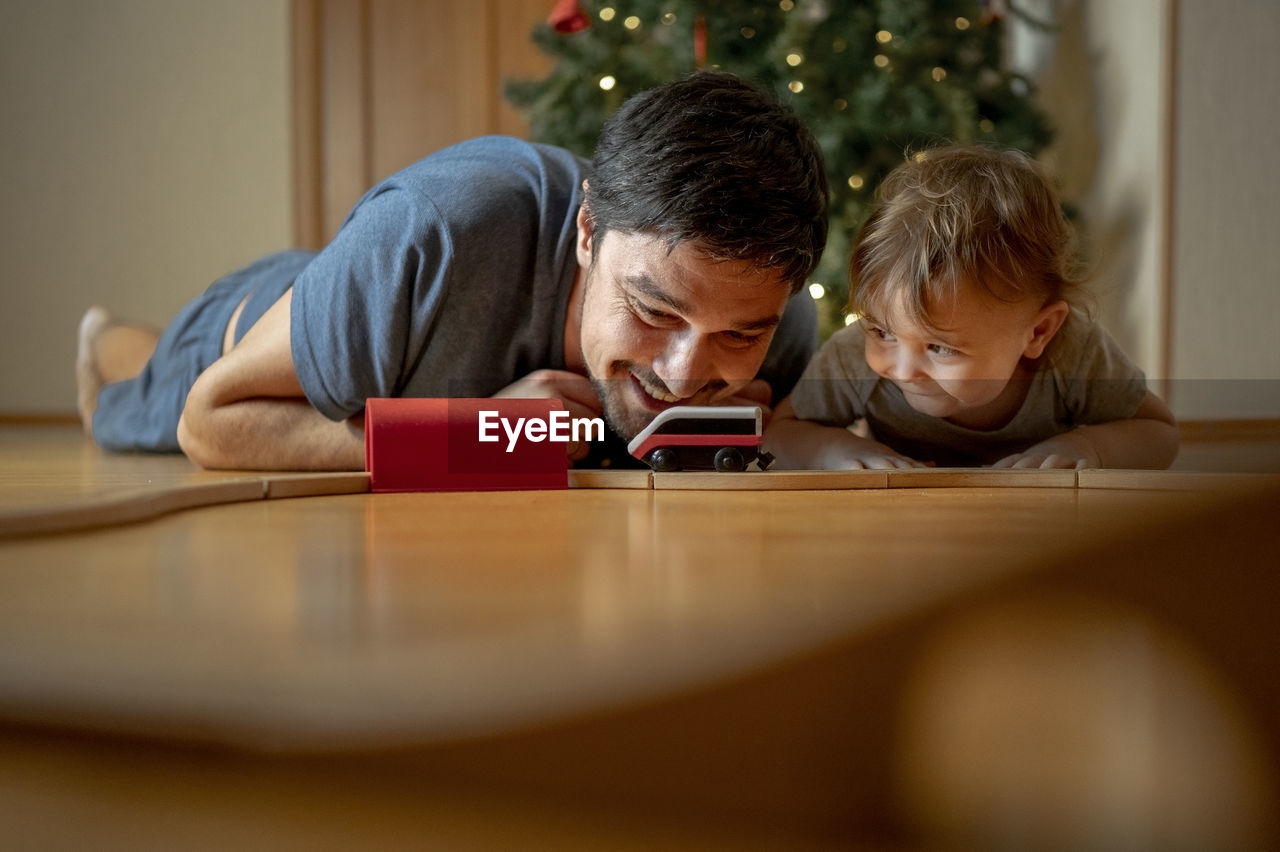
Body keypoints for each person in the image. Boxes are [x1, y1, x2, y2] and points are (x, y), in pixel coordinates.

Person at [76, 71, 829, 470]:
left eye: (736, 335)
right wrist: (485, 435)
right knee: (125, 392)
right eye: (655, 312)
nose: (684, 372)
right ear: (589, 231)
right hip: (248, 328)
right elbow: (210, 423)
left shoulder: (783, 314)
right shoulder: (433, 230)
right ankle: (105, 339)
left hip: (371, 317)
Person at [764, 143, 1179, 470]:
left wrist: (1088, 446)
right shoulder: (853, 355)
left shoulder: (1073, 355)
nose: (903, 371)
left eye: (940, 348)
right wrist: (829, 451)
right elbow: (779, 435)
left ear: (1038, 332)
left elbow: (1159, 433)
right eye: (883, 332)